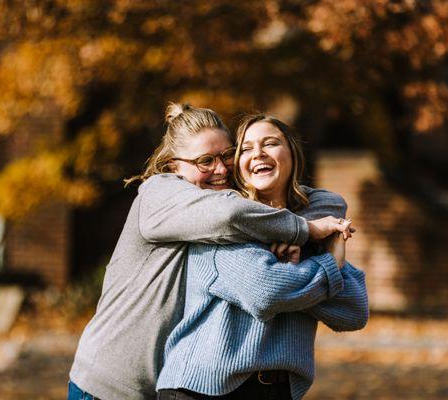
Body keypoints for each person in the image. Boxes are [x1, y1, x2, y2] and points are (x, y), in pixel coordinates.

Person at [68, 104, 353, 400]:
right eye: (205, 161)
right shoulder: (159, 194)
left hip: (159, 387)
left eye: (228, 155)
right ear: (173, 167)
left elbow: (329, 204)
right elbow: (228, 218)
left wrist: (307, 227)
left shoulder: (238, 211)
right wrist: (305, 230)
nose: (220, 169)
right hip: (109, 385)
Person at [156, 114, 368, 400]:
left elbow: (354, 311)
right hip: (203, 388)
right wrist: (332, 263)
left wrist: (301, 262)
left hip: (277, 390)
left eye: (271, 143)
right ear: (238, 166)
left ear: (292, 153)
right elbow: (267, 292)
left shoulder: (308, 232)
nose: (258, 153)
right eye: (245, 148)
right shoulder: (223, 222)